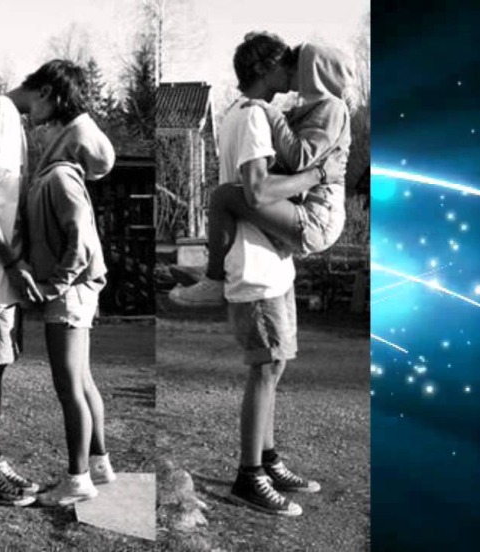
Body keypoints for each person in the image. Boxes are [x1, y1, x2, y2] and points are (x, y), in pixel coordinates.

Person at [196, 33, 346, 517]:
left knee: (274, 366)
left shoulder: (252, 114)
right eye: (284, 65)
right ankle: (249, 476)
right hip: (255, 264)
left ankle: (268, 459)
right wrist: (320, 176)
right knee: (264, 368)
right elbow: (257, 191)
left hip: (271, 260)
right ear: (266, 69)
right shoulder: (254, 116)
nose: (290, 74)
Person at [0, 60, 89, 507]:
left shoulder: (9, 120)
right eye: (58, 108)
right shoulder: (2, 115)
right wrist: (10, 261)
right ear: (45, 92)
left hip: (0, 273)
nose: (52, 121)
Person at [170, 42, 354, 307]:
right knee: (236, 193)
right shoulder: (312, 108)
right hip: (305, 207)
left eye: (296, 66)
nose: (290, 70)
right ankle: (215, 268)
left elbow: (299, 157)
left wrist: (273, 115)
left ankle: (214, 279)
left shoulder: (333, 108)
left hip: (318, 218)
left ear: (314, 73)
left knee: (225, 197)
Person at [21, 91, 117, 506]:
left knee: (69, 387)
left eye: (51, 127)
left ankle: (78, 479)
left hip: (70, 294)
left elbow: (82, 242)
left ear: (66, 136)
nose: (42, 133)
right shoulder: (63, 175)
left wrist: (53, 285)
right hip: (78, 291)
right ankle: (99, 463)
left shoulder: (60, 177)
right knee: (82, 380)